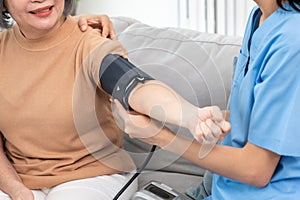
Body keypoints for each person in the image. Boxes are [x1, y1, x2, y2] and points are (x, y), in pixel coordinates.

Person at [0, 0, 230, 199]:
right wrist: (16, 190)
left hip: (93, 176)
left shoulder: (89, 42)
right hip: (20, 180)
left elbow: (135, 87)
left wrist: (191, 116)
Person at [112, 0, 300, 199]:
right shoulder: (260, 17)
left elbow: (256, 170)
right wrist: (205, 118)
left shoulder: (291, 40)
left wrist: (160, 136)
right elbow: (263, 118)